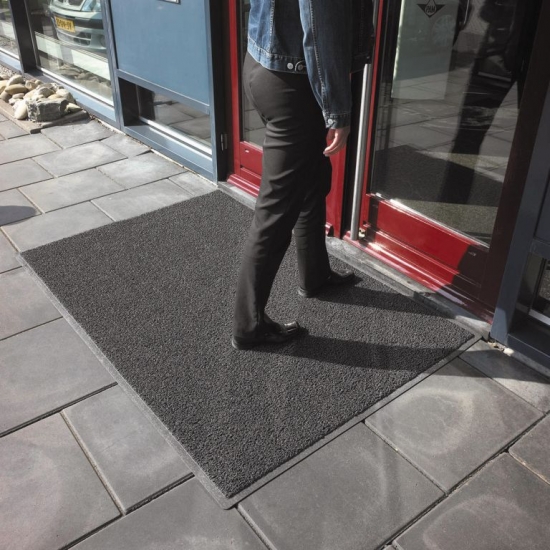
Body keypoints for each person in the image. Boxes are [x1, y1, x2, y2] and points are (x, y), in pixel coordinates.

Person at [232, 0, 374, 350]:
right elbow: (320, 23)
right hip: (296, 81)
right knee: (276, 209)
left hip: (265, 66)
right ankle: (249, 326)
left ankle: (315, 274)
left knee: (312, 179)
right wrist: (337, 110)